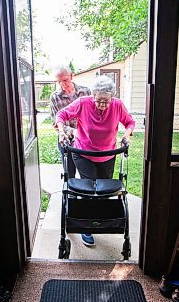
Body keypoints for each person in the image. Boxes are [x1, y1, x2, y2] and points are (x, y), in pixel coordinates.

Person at [56, 75, 135, 246]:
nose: (102, 105)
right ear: (93, 96)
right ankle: (86, 227)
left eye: (106, 101)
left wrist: (127, 134)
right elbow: (61, 114)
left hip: (108, 154)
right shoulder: (84, 103)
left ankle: (99, 222)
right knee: (89, 188)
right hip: (83, 152)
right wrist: (62, 131)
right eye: (99, 100)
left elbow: (130, 122)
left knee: (104, 191)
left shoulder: (117, 105)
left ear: (111, 98)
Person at [50, 65, 91, 178]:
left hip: (85, 139)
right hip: (66, 139)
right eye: (59, 82)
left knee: (87, 173)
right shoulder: (55, 97)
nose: (63, 84)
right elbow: (56, 122)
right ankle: (71, 195)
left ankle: (86, 194)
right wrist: (73, 131)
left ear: (72, 76)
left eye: (65, 80)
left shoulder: (86, 92)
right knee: (69, 173)